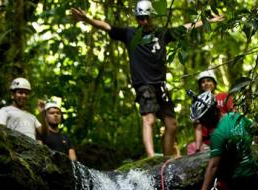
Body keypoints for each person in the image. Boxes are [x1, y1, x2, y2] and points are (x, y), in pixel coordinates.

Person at [71, 2, 223, 158]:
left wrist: (208, 20)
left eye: (146, 18)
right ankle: (151, 156)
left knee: (171, 125)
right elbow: (107, 27)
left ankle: (167, 158)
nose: (143, 21)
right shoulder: (130, 34)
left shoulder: (162, 34)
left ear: (152, 17)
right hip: (144, 84)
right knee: (148, 119)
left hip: (161, 86)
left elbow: (185, 27)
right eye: (140, 18)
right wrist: (87, 19)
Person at [187, 69, 234, 155]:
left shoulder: (223, 96)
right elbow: (198, 126)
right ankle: (199, 149)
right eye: (203, 82)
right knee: (191, 147)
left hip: (225, 133)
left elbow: (234, 114)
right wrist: (198, 149)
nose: (206, 83)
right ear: (200, 86)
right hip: (207, 141)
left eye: (209, 80)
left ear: (214, 83)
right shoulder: (198, 104)